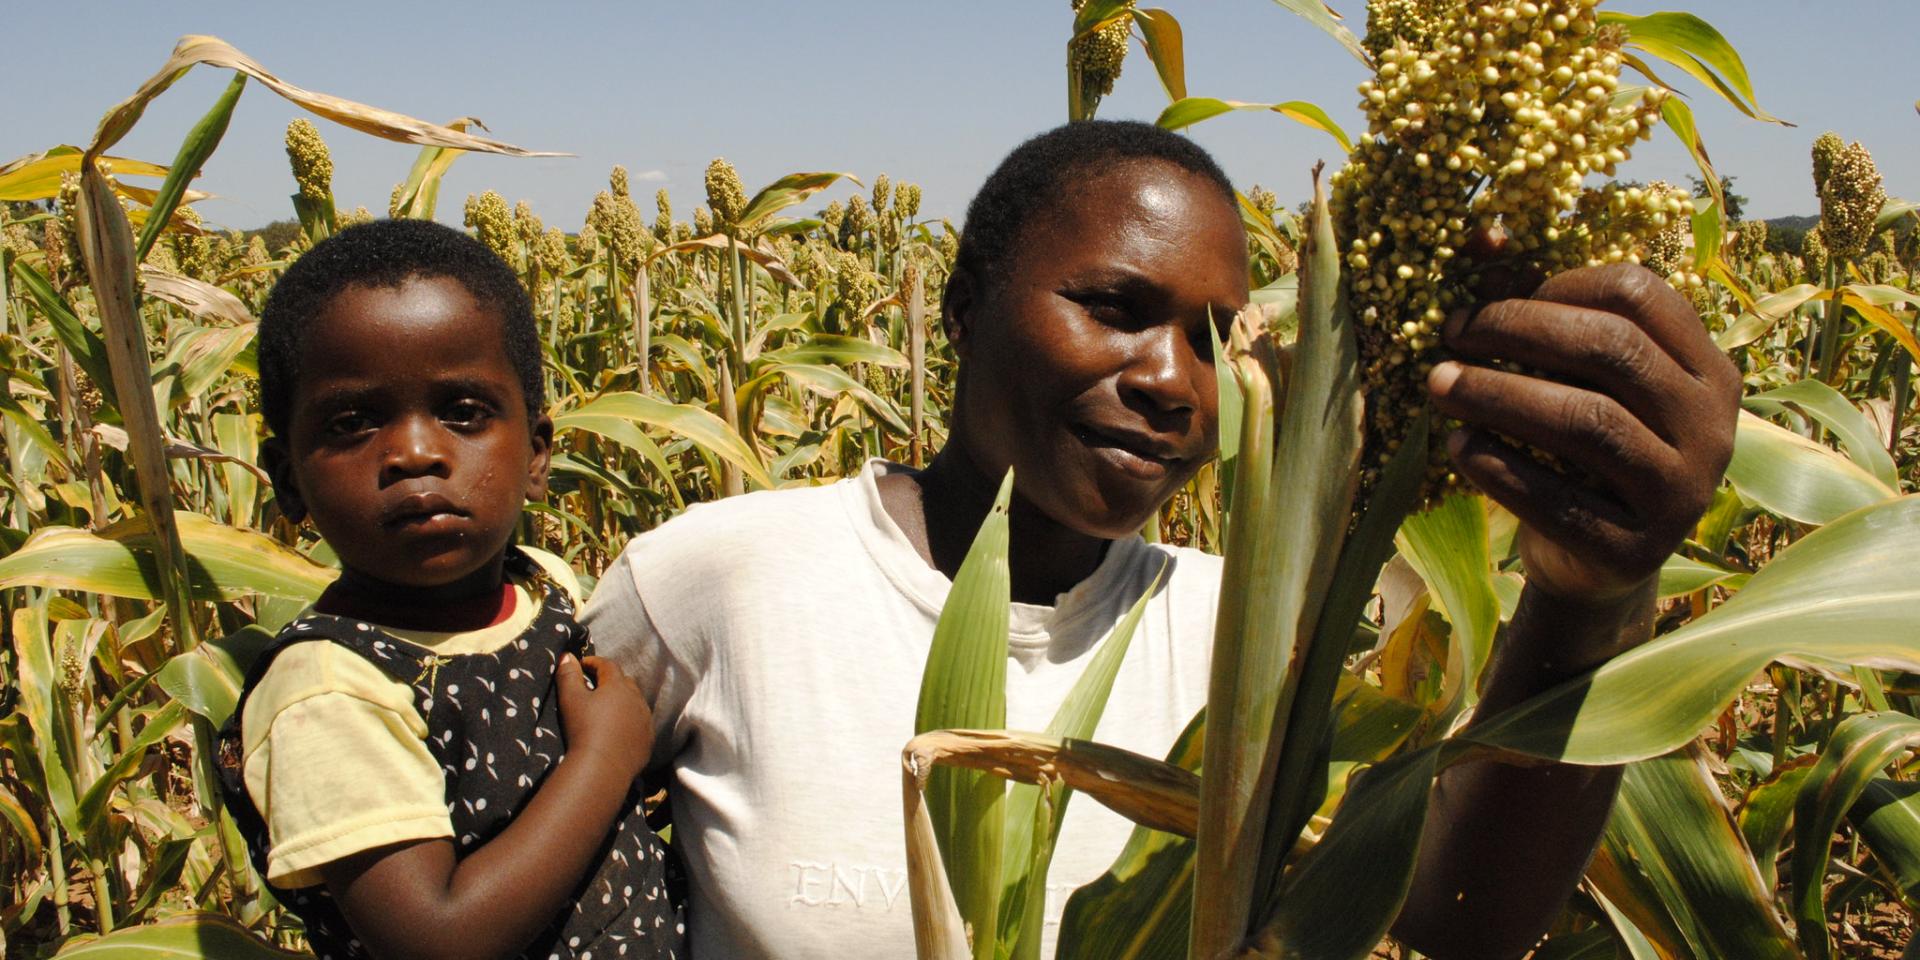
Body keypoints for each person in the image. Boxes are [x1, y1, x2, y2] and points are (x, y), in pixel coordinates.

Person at [582, 120, 1740, 959]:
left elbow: (1451, 914)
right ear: (966, 302)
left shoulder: (1251, 638)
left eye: (1215, 337)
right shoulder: (718, 580)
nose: (1174, 382)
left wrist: (1591, 595)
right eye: (1117, 309)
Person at [217, 219, 685, 960]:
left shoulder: (542, 585)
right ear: (286, 480)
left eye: (462, 413)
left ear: (536, 454)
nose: (416, 453)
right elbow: (438, 937)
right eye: (352, 422)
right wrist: (607, 759)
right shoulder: (330, 692)